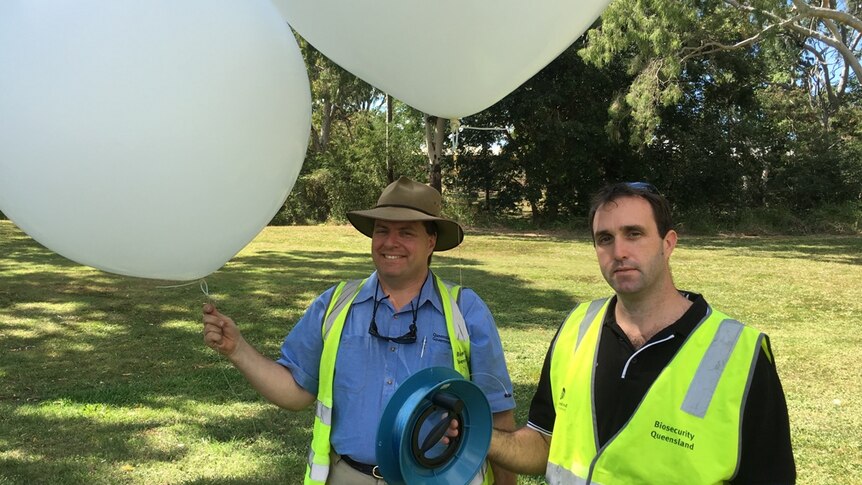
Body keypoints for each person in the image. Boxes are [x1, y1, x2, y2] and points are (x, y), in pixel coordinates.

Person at [202, 176, 516, 485]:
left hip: (436, 478)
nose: (390, 243)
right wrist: (238, 349)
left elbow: (499, 416)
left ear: (431, 241)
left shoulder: (466, 311)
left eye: (406, 232)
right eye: (382, 231)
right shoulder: (335, 305)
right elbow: (296, 392)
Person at [485, 182, 795, 483]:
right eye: (604, 239)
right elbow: (543, 443)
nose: (618, 251)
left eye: (634, 234)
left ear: (668, 243)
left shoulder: (740, 352)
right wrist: (477, 436)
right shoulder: (577, 326)